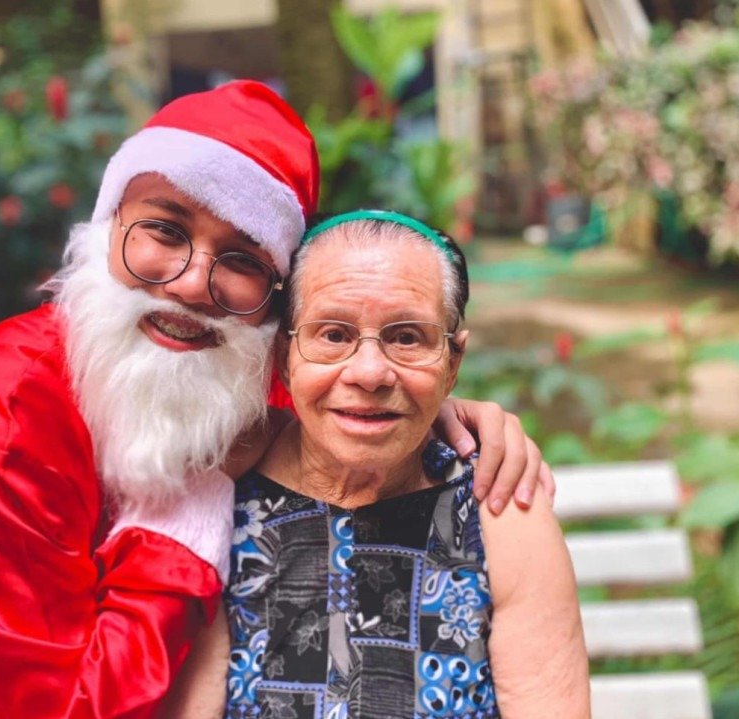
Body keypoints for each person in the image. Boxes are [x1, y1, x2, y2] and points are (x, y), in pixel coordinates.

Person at [0, 84, 550, 719]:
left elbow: (346, 382)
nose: (194, 281)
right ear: (108, 225)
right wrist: (181, 532)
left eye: (237, 257)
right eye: (164, 229)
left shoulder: (213, 362)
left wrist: (443, 411)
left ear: (268, 301)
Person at [166, 211, 590, 718]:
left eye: (407, 337)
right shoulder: (221, 497)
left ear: (452, 364)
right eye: (334, 335)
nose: (370, 372)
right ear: (284, 356)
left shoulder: (498, 511)